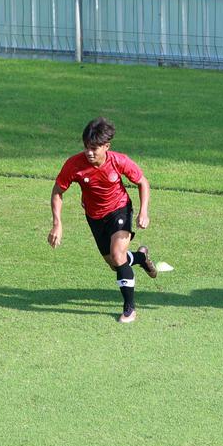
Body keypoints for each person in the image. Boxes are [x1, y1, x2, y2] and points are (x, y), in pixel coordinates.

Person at [49, 117, 159, 323]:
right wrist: (57, 223)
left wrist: (143, 211)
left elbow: (143, 182)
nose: (89, 153)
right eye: (86, 147)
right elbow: (57, 192)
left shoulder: (119, 161)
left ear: (106, 146)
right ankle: (141, 258)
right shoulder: (74, 165)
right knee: (115, 264)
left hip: (120, 209)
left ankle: (129, 309)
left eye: (94, 148)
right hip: (95, 217)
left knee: (118, 256)